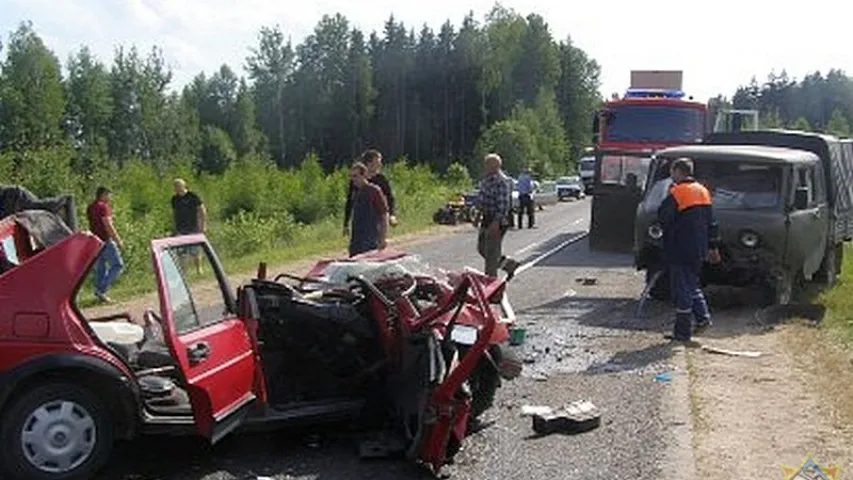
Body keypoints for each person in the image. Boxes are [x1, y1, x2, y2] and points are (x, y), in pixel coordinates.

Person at [658, 158, 720, 342]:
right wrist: (712, 247)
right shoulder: (703, 191)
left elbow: (664, 217)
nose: (671, 175)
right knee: (692, 284)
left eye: (672, 171)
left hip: (680, 247)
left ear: (678, 171)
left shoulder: (677, 192)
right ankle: (703, 319)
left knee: (682, 289)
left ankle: (682, 333)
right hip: (699, 248)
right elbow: (712, 223)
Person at [477, 153, 520, 279]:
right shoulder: (486, 179)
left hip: (497, 221)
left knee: (491, 255)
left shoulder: (501, 182)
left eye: (487, 164)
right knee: (482, 249)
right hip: (486, 218)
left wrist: (496, 223)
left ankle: (492, 287)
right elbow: (482, 199)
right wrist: (477, 216)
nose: (485, 167)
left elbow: (503, 205)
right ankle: (509, 265)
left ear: (495, 166)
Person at [344, 149, 396, 236]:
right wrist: (346, 224)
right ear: (369, 163)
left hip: (377, 219)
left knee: (374, 243)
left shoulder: (381, 179)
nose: (380, 164)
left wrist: (392, 215)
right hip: (361, 219)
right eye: (378, 162)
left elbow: (390, 197)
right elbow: (350, 201)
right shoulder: (356, 179)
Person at [87, 186, 124, 303]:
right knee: (118, 265)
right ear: (103, 194)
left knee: (101, 268)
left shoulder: (90, 207)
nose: (110, 197)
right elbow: (108, 225)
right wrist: (118, 240)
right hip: (106, 240)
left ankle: (100, 293)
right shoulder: (103, 207)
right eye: (108, 195)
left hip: (95, 241)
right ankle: (101, 289)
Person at [348, 162, 390, 257]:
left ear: (364, 175)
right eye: (351, 176)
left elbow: (384, 215)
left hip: (371, 239)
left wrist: (382, 239)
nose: (353, 179)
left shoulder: (374, 191)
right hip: (356, 240)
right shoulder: (356, 193)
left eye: (355, 176)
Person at [171, 178, 207, 273]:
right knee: (182, 251)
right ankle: (183, 270)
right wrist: (174, 226)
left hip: (193, 226)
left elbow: (202, 210)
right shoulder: (174, 199)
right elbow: (174, 213)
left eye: (178, 186)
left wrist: (203, 225)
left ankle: (199, 268)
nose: (176, 188)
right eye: (175, 186)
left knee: (195, 249)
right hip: (180, 227)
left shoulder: (192, 196)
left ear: (183, 186)